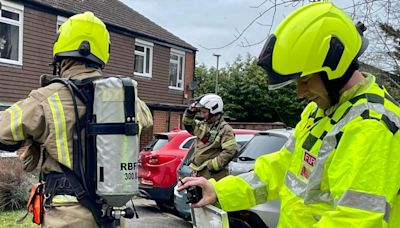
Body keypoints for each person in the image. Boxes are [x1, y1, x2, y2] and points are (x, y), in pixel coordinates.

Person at [179, 2, 400, 227]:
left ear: (336, 67)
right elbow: (281, 167)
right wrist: (218, 190)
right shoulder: (319, 112)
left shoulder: (372, 125)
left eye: (305, 80)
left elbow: (355, 220)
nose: (300, 92)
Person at [0, 12, 153, 227]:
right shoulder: (127, 98)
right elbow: (146, 129)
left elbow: (3, 132)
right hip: (110, 213)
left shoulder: (46, 97)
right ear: (103, 51)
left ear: (61, 49)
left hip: (67, 215)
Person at [183, 94, 237, 180]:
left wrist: (212, 166)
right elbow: (189, 125)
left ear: (214, 111)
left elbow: (230, 151)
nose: (202, 115)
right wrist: (190, 112)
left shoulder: (225, 129)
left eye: (204, 112)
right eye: (201, 112)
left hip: (212, 176)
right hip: (198, 173)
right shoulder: (204, 126)